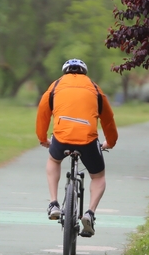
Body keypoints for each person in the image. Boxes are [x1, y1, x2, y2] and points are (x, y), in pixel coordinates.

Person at [35, 59, 118, 238]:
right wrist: (110, 142)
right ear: (84, 73)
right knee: (98, 176)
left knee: (53, 160)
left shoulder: (55, 86)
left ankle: (54, 203)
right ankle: (89, 213)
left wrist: (43, 139)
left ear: (65, 72)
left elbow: (43, 112)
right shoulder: (95, 88)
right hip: (88, 139)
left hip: (61, 136)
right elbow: (108, 118)